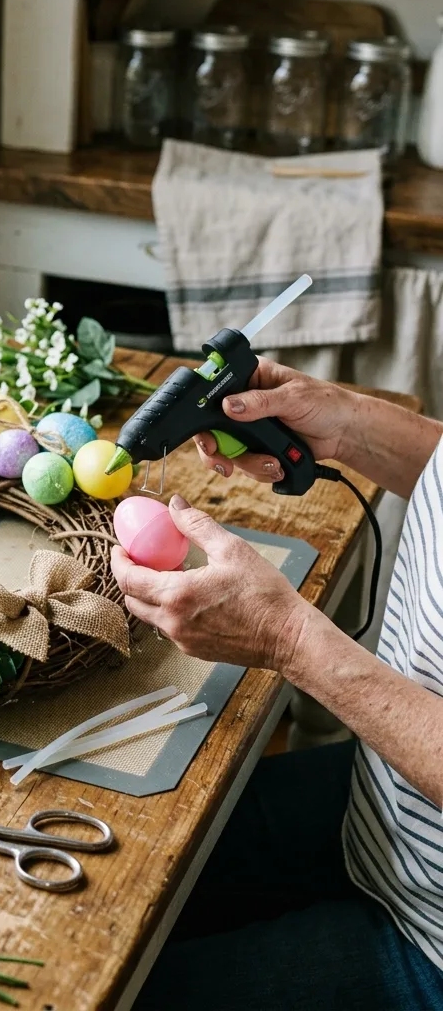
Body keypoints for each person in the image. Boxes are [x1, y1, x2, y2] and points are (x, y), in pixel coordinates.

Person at [116, 358, 443, 1010]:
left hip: (431, 938)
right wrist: (348, 426)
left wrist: (289, 641)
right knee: (119, 873)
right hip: (390, 807)